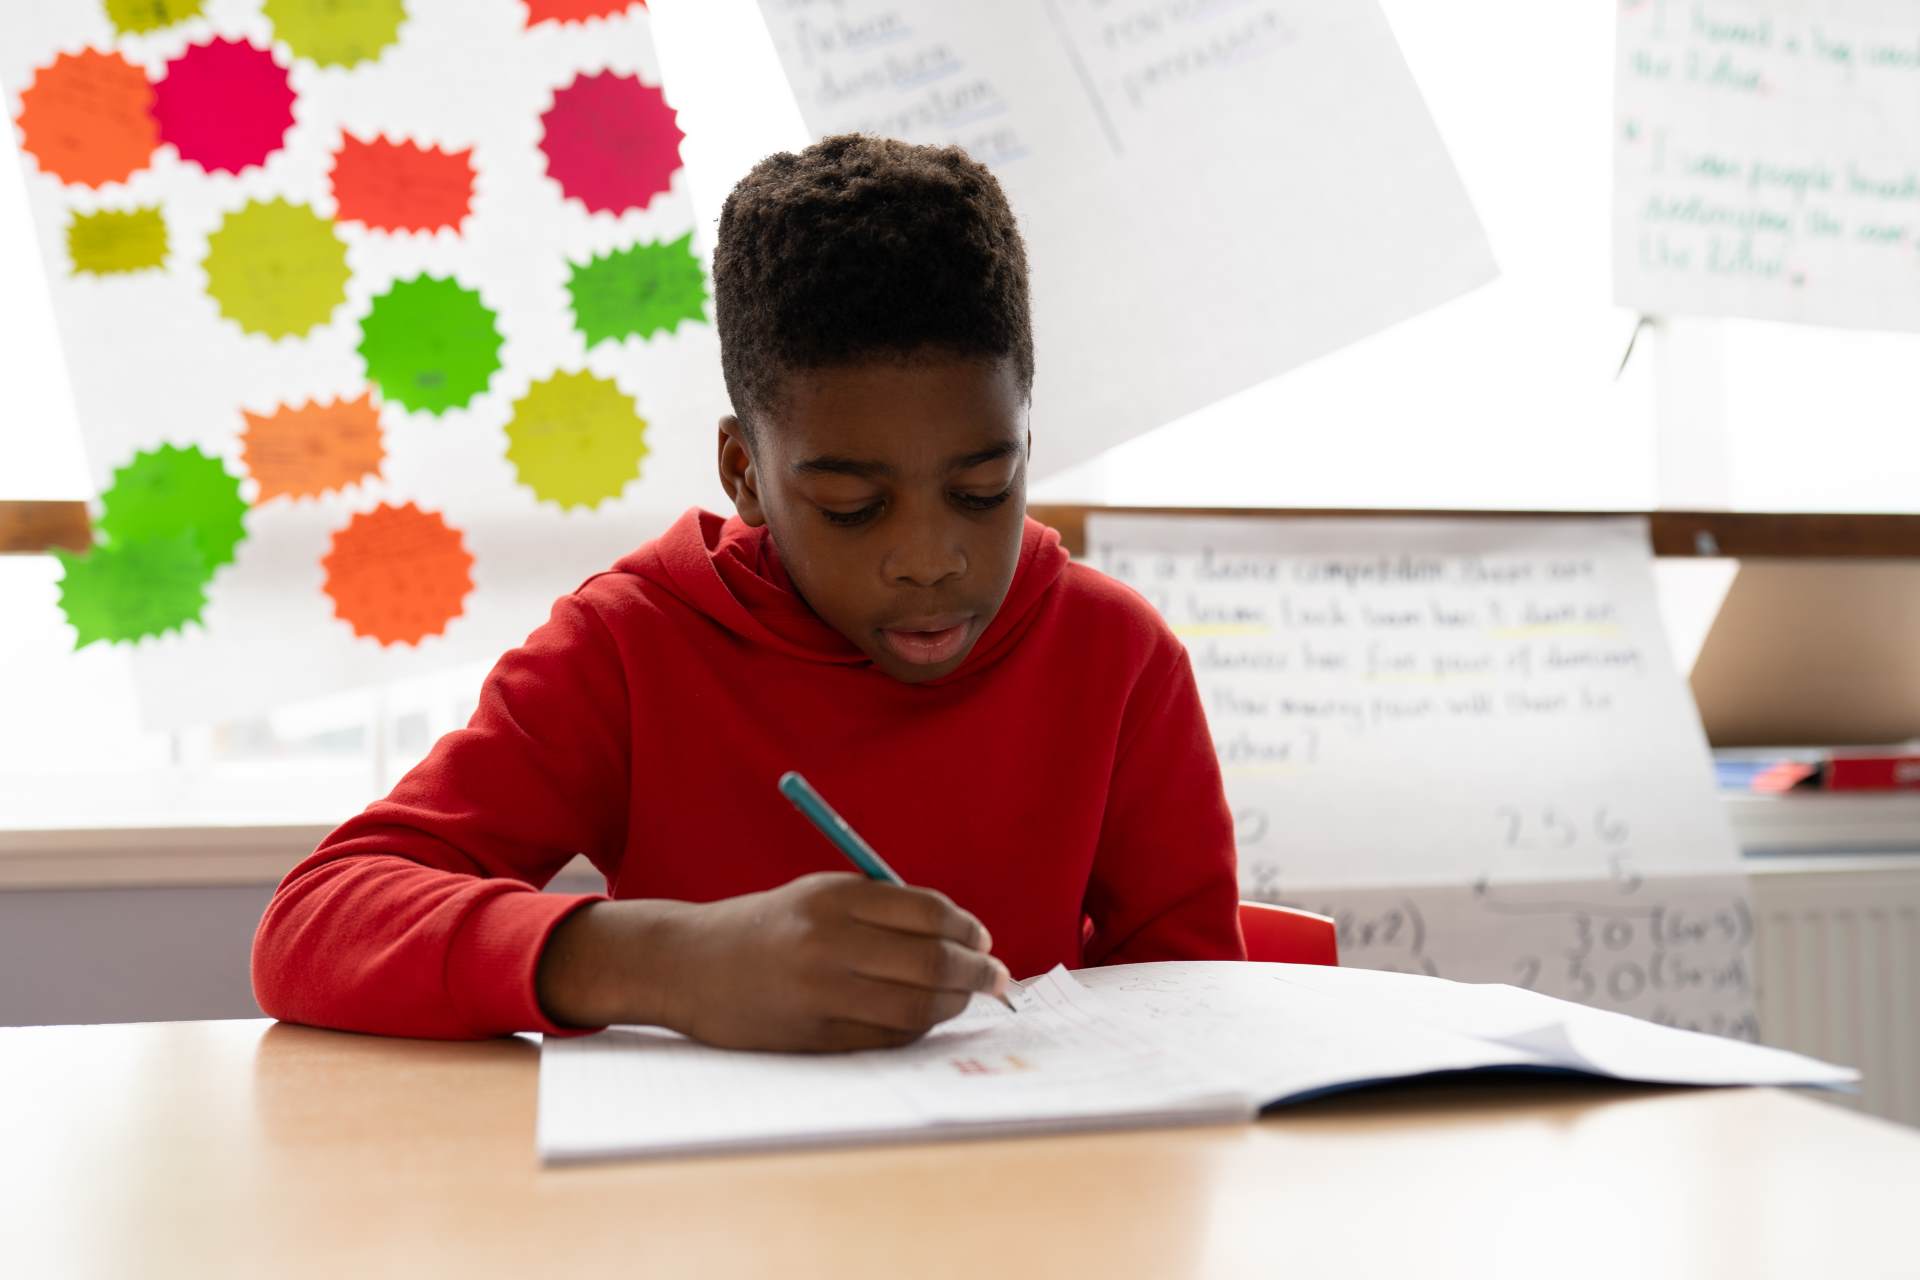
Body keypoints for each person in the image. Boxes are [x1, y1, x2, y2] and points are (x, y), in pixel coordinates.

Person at [251, 134, 1244, 1051]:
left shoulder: (1116, 657)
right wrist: (667, 964)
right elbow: (311, 923)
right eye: (853, 506)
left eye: (983, 490)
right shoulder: (628, 650)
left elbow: (1196, 1013)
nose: (929, 559)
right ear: (745, 473)